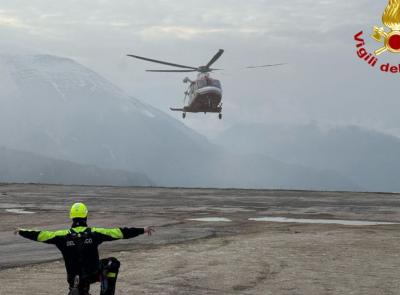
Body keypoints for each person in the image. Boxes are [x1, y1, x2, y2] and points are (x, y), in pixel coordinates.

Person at [14, 202, 154, 295]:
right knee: (112, 263)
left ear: (71, 217)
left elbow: (39, 235)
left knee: (78, 287)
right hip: (93, 273)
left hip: (75, 279)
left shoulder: (60, 236)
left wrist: (21, 231)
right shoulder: (94, 233)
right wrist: (142, 230)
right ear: (86, 216)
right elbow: (120, 232)